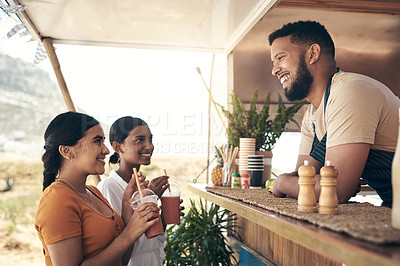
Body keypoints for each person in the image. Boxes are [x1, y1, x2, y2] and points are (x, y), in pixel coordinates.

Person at [268, 20, 399, 206]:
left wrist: (281, 183)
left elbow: (335, 191)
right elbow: (303, 178)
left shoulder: (351, 92)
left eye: (280, 58)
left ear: (312, 54)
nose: (274, 70)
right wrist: (297, 183)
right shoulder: (313, 114)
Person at [35, 111, 160, 266]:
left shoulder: (93, 193)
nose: (106, 150)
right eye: (97, 142)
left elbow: (121, 260)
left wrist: (127, 208)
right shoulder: (57, 200)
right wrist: (128, 234)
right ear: (67, 151)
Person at [98, 116, 182, 266]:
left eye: (150, 139)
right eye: (140, 140)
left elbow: (153, 240)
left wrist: (162, 216)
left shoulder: (144, 186)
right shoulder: (109, 187)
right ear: (118, 147)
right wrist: (150, 197)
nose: (149, 146)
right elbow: (118, 244)